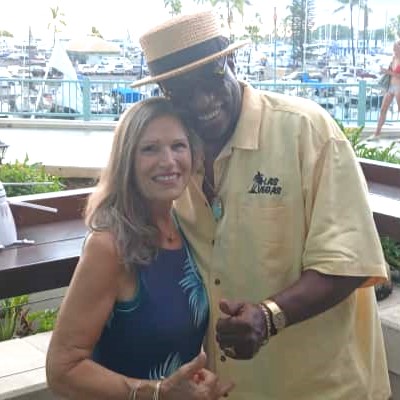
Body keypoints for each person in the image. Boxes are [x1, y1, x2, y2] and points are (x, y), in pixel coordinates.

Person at [131, 11, 392, 400]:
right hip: (231, 387)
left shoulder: (306, 129)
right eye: (181, 91)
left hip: (324, 387)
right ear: (164, 94)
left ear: (232, 60)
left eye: (211, 77)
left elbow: (348, 262)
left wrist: (268, 315)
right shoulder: (175, 158)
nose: (202, 101)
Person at [46, 97, 234, 400]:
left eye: (178, 146)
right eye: (150, 149)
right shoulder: (109, 246)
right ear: (127, 160)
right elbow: (61, 370)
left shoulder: (184, 227)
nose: (168, 161)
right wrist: (157, 393)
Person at [373, 40, 400, 138]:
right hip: (390, 87)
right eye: (394, 48)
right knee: (383, 109)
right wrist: (383, 71)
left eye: (395, 48)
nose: (394, 50)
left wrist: (388, 72)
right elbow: (390, 72)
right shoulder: (393, 58)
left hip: (398, 87)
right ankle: (377, 133)